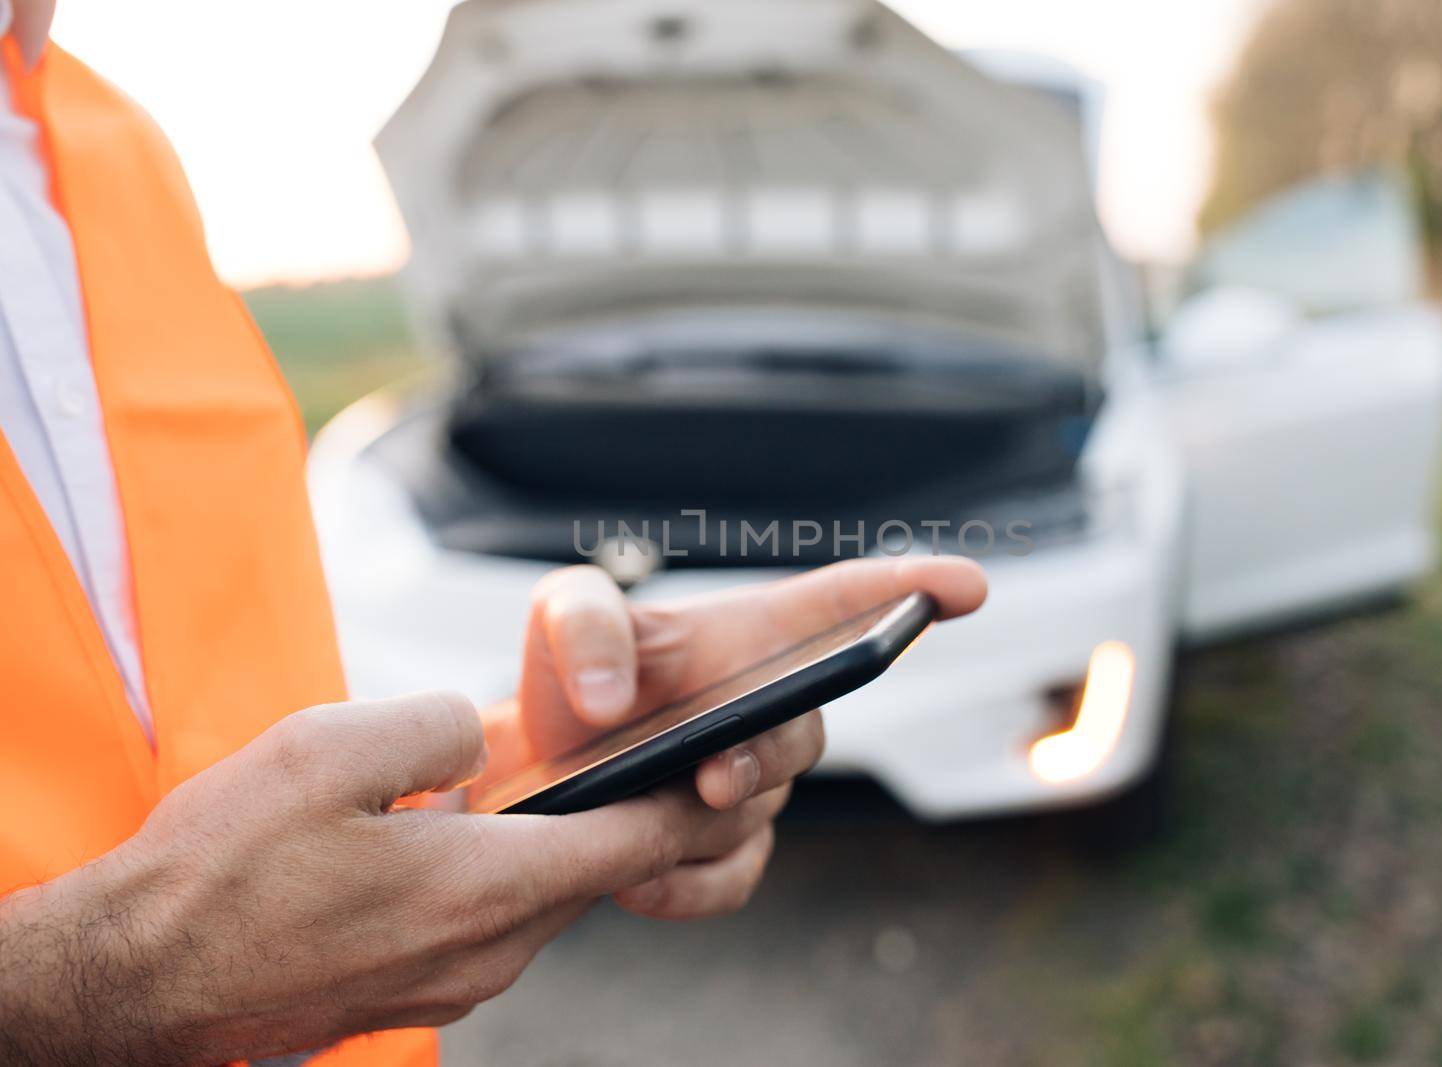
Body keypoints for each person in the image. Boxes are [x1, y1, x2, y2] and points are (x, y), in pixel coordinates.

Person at [0, 5, 987, 1064]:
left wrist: (514, 767)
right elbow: (176, 932)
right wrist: (111, 980)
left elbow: (207, 758)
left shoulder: (114, 150)